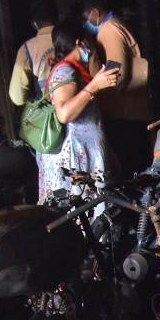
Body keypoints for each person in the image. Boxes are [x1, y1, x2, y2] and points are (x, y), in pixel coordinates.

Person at [37, 19, 120, 201]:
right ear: (79, 42)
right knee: (82, 217)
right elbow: (64, 113)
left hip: (83, 155)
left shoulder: (73, 70)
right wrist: (95, 85)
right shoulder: (64, 71)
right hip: (74, 159)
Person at [77, 0, 152, 175]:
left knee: (130, 172)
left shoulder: (109, 30)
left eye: (85, 17)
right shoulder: (115, 25)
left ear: (95, 12)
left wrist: (101, 101)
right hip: (130, 112)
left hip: (124, 114)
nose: (85, 23)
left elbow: (116, 75)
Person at [8, 0, 57, 107]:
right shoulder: (74, 39)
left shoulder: (26, 49)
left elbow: (17, 98)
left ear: (34, 23)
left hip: (48, 114)